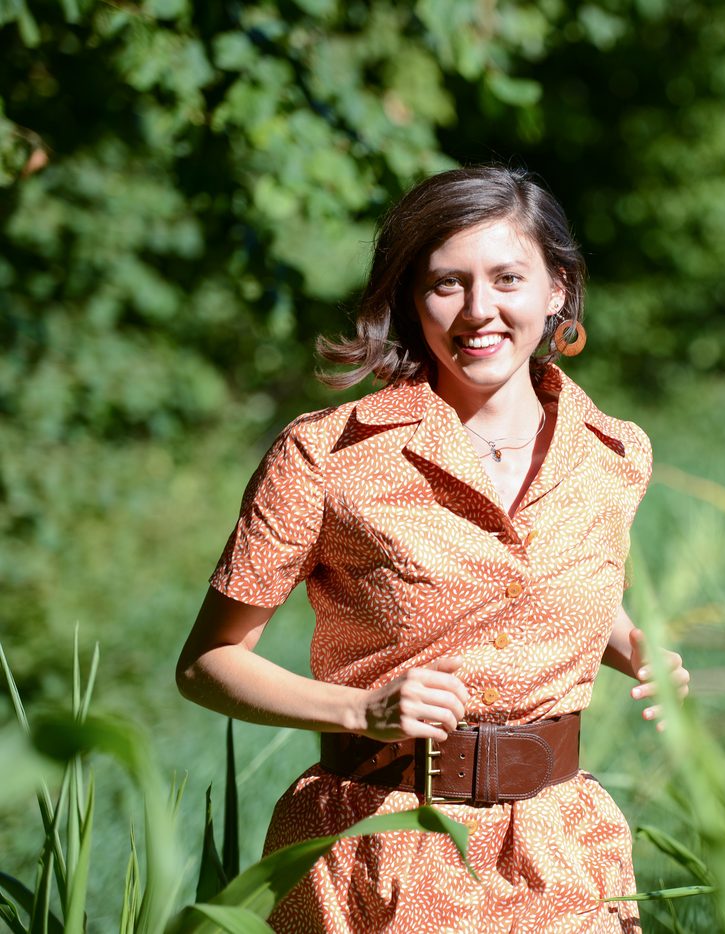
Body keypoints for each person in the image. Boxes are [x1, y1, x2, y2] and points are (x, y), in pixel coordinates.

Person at [175, 165, 689, 933]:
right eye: (447, 284)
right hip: (377, 851)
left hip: (562, 853)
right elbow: (205, 664)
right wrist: (359, 708)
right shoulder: (327, 456)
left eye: (508, 278)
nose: (479, 310)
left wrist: (633, 648)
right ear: (412, 302)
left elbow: (538, 582)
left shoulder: (614, 454)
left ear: (558, 289)